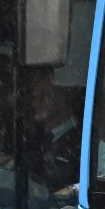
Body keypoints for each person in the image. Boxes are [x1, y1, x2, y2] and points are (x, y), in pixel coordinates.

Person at [29, 68, 81, 198]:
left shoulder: (84, 140)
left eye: (46, 96)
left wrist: (73, 189)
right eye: (35, 97)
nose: (36, 102)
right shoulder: (34, 138)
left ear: (65, 96)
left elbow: (96, 181)